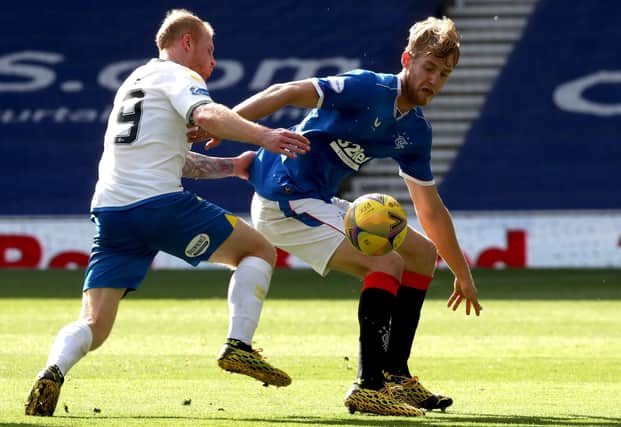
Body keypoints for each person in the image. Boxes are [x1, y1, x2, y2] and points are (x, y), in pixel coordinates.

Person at [188, 16, 482, 417]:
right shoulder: (368, 87)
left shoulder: (415, 130)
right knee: (385, 260)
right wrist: (229, 124)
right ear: (407, 60)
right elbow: (286, 91)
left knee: (420, 254)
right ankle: (368, 385)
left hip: (315, 197)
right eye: (429, 67)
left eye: (444, 74)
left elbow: (430, 209)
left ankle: (395, 374)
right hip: (285, 197)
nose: (434, 79)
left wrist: (461, 273)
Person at [25, 9, 310, 417]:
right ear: (186, 42)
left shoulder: (134, 83)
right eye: (209, 51)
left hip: (111, 213)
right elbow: (207, 115)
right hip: (157, 205)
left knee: (95, 325)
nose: (212, 63)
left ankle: (52, 370)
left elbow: (175, 160)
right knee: (259, 251)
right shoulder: (179, 76)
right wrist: (266, 134)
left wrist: (232, 166)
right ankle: (239, 346)